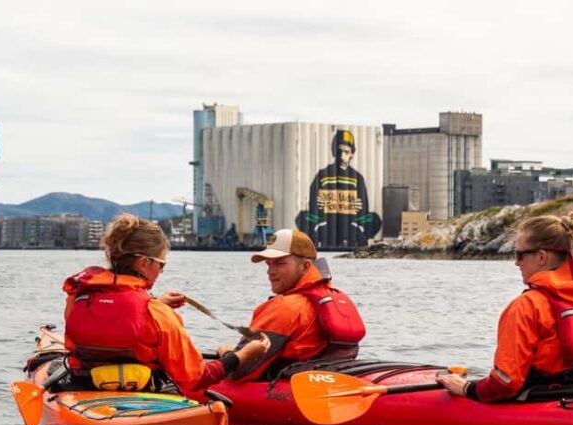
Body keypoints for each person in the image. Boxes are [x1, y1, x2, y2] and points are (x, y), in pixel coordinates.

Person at [63, 214, 270, 393]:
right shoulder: (159, 314)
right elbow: (196, 379)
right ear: (145, 262)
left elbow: (112, 314)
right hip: (140, 396)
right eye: (162, 265)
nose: (162, 271)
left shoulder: (79, 295)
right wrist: (242, 355)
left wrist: (152, 302)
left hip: (82, 389)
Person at [437, 211, 573, 402]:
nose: (516, 263)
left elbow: (505, 383)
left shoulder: (527, 306)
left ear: (542, 257)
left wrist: (465, 388)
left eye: (519, 255)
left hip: (542, 403)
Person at [223, 228, 366, 381]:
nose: (270, 271)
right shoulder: (337, 297)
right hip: (326, 379)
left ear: (305, 266)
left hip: (287, 390)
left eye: (279, 263)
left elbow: (238, 372)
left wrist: (226, 354)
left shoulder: (285, 307)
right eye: (269, 264)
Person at [297, 129, 381, 249]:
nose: (342, 156)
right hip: (326, 222)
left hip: (351, 223)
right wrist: (317, 204)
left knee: (375, 219)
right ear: (334, 151)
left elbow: (364, 208)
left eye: (346, 152)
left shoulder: (357, 178)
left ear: (352, 154)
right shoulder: (322, 175)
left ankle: (359, 241)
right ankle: (313, 242)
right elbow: (313, 201)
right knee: (302, 217)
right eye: (340, 151)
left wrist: (359, 207)